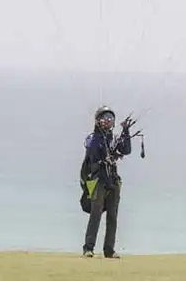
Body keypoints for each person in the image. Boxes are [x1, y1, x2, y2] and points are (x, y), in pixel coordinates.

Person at [81, 105, 132, 258]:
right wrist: (101, 135)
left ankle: (109, 250)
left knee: (112, 215)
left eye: (110, 118)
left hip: (113, 180)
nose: (108, 121)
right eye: (105, 118)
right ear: (98, 121)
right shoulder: (92, 138)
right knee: (96, 214)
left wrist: (126, 131)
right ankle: (88, 248)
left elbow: (126, 150)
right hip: (99, 180)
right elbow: (94, 153)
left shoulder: (115, 139)